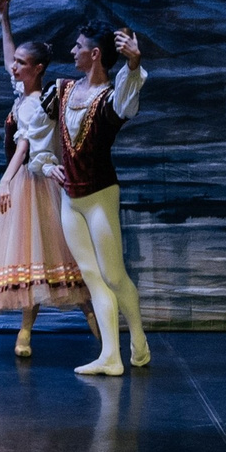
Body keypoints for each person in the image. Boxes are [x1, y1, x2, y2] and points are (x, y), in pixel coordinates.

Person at [0, 0, 88, 357]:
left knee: (56, 259)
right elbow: (8, 55)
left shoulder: (38, 105)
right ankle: (26, 330)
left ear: (38, 69)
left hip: (37, 184)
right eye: (17, 62)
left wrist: (6, 181)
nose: (15, 66)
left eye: (23, 63)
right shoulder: (24, 95)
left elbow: (24, 147)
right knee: (32, 262)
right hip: (29, 182)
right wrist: (3, 16)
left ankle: (96, 322)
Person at [50, 22, 152, 376]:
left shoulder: (111, 98)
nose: (72, 52)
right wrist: (47, 164)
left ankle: (138, 339)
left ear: (95, 54)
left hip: (100, 195)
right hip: (71, 197)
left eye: (78, 46)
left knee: (114, 274)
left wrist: (134, 64)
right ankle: (110, 354)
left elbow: (127, 102)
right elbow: (38, 133)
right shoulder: (63, 90)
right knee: (92, 276)